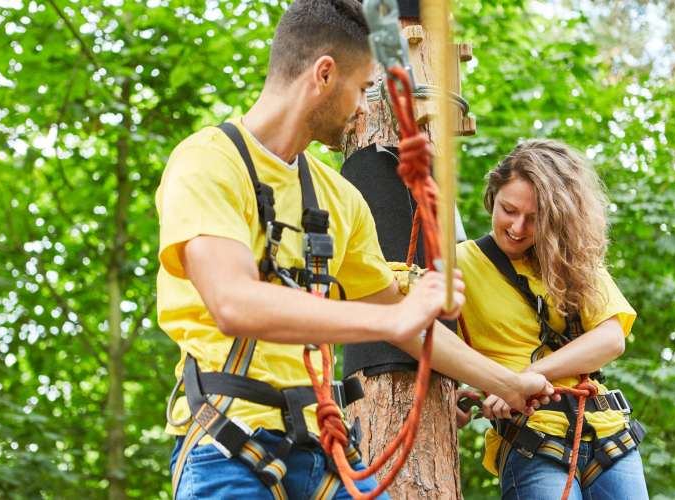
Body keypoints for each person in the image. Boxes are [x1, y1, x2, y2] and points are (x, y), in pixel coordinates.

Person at [156, 1, 554, 498]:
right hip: (227, 446)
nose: (365, 108)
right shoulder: (209, 162)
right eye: (363, 89)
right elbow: (233, 302)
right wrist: (395, 320)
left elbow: (404, 321)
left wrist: (507, 383)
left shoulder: (339, 197)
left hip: (323, 450)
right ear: (324, 74)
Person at [454, 140, 649, 499]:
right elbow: (429, 335)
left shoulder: (570, 260)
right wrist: (457, 391)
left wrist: (525, 378)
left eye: (534, 218)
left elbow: (610, 339)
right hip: (532, 438)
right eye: (508, 210)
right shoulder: (460, 264)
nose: (517, 227)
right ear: (491, 197)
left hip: (607, 432)